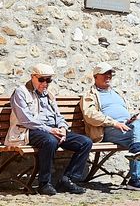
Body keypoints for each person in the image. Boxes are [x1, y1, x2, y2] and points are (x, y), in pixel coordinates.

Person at [6, 63, 92, 196]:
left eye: (48, 80)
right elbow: (26, 120)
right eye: (42, 79)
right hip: (28, 131)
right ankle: (44, 183)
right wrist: (50, 130)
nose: (45, 83)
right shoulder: (21, 92)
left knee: (85, 142)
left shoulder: (49, 95)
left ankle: (67, 179)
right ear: (33, 77)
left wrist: (62, 128)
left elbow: (58, 116)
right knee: (50, 141)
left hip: (52, 130)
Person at [80, 63, 140, 192]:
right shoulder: (90, 95)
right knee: (138, 136)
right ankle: (136, 179)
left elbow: (125, 111)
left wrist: (131, 119)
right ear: (96, 77)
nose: (108, 76)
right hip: (108, 129)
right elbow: (90, 115)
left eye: (110, 74)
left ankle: (135, 151)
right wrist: (113, 123)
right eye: (104, 74)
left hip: (126, 126)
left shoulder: (116, 93)